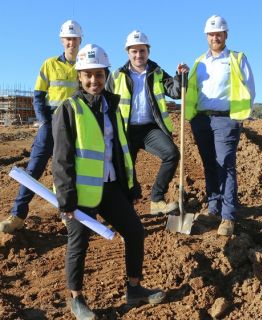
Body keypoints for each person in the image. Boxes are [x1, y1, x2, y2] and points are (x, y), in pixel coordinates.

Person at [52, 44, 165, 319]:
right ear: (79, 76)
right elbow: (61, 159)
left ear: (106, 74)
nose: (94, 80)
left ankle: (135, 289)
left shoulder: (112, 107)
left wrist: (132, 185)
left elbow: (122, 150)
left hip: (111, 186)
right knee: (79, 244)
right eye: (88, 75)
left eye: (99, 74)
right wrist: (66, 199)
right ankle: (77, 299)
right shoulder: (69, 109)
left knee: (135, 232)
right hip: (80, 193)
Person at [0, 20, 83, 233]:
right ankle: (18, 215)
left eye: (74, 38)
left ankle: (67, 213)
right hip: (50, 125)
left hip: (74, 128)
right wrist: (44, 120)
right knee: (34, 169)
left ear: (80, 40)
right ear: (62, 40)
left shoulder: (84, 66)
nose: (71, 42)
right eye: (68, 39)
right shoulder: (49, 64)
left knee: (66, 172)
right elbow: (38, 95)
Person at [106, 30, 189, 215]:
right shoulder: (117, 75)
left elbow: (176, 92)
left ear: (148, 51)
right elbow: (105, 101)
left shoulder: (157, 72)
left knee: (172, 154)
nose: (138, 55)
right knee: (126, 172)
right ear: (128, 52)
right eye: (134, 51)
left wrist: (180, 76)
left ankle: (157, 199)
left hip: (150, 129)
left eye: (142, 51)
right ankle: (127, 210)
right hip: (125, 131)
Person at [187, 15, 255, 236]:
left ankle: (228, 216)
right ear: (206, 36)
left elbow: (249, 89)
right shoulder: (199, 62)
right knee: (209, 164)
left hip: (226, 118)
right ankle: (213, 209)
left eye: (219, 33)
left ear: (226, 35)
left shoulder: (236, 58)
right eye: (211, 34)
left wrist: (238, 116)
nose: (215, 37)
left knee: (225, 164)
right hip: (202, 119)